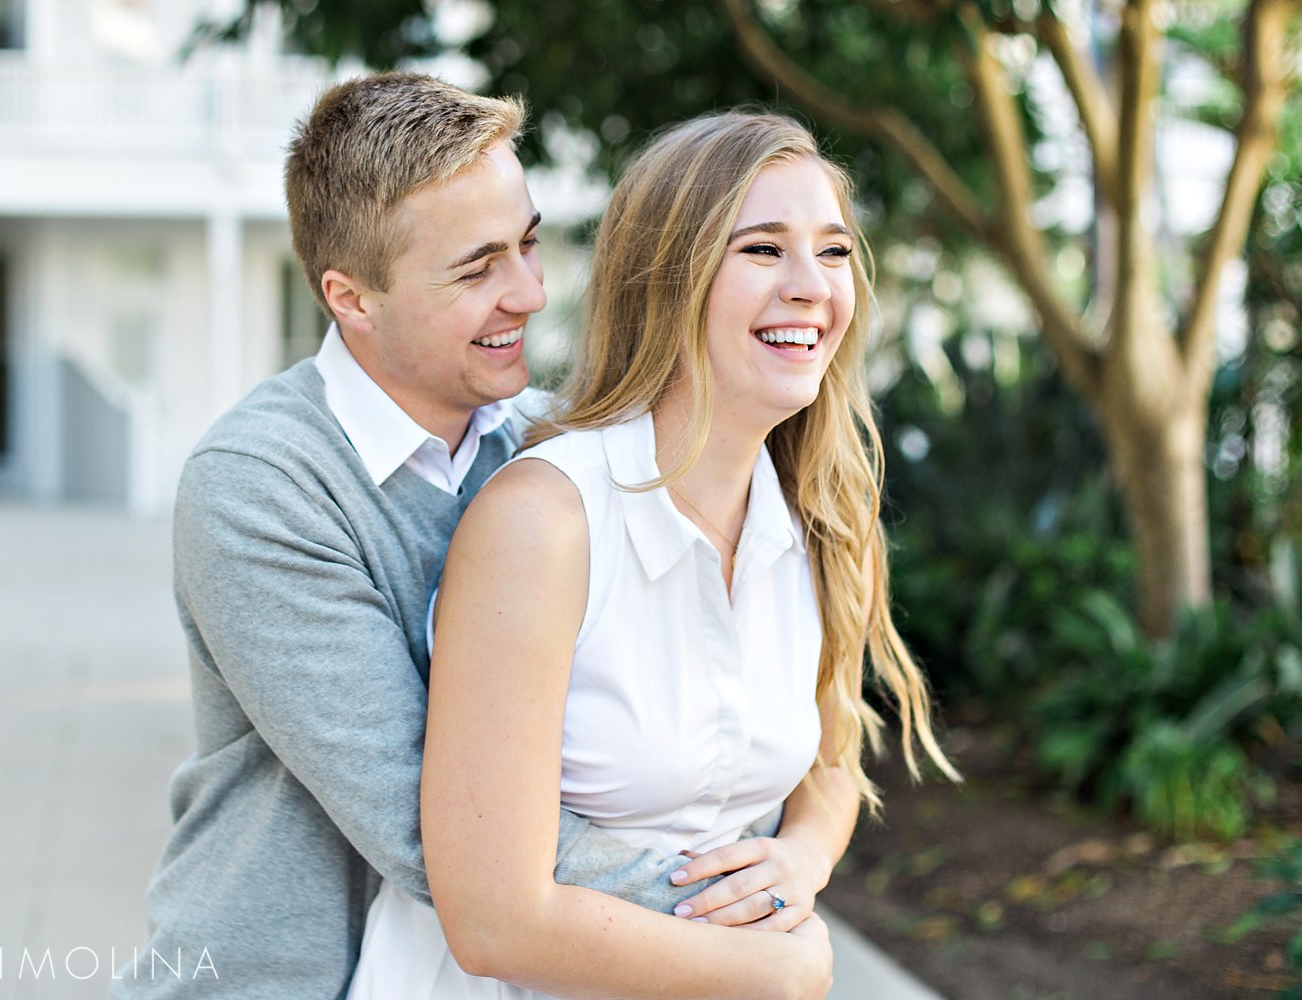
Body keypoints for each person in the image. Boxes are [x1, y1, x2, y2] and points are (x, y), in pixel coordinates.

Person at [115, 76, 820, 1000]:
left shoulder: (554, 446)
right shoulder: (262, 486)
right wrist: (745, 931)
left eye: (527, 244)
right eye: (477, 268)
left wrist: (790, 857)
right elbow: (440, 828)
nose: (528, 293)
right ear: (352, 299)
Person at [346, 111, 958, 999]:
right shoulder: (544, 523)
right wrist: (774, 973)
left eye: (833, 252)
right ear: (668, 280)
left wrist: (799, 860)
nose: (811, 287)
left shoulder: (829, 520)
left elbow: (830, 764)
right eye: (761, 250)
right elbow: (489, 920)